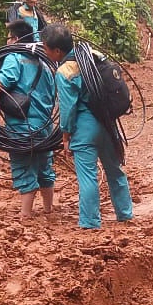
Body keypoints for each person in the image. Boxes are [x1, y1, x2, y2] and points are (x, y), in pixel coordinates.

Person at [40, 23, 133, 229]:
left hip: (85, 127)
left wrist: (65, 136)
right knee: (114, 170)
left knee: (88, 176)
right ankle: (125, 213)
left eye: (46, 48)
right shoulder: (92, 54)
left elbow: (67, 108)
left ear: (57, 51)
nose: (44, 52)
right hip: (107, 123)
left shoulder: (64, 71)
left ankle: (90, 222)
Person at [0, 20, 57, 219]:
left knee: (24, 166)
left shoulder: (14, 58)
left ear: (15, 39)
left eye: (8, 37)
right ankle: (48, 210)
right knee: (44, 166)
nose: (7, 41)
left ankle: (25, 214)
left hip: (22, 125)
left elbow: (3, 81)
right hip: (45, 125)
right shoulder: (46, 63)